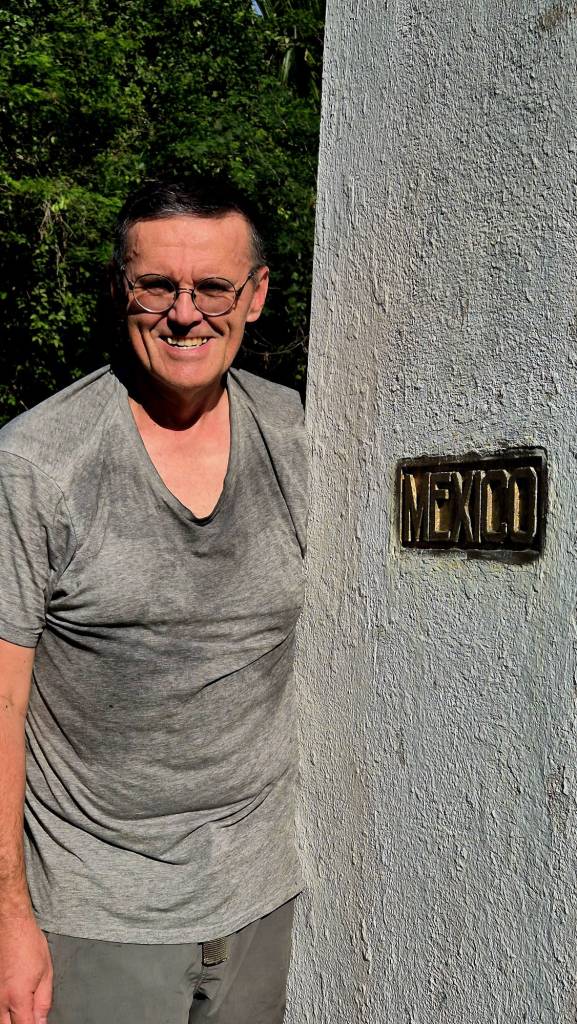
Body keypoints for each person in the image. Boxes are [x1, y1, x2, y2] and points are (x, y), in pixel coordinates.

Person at [0, 178, 308, 1024]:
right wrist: (9, 919)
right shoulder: (38, 462)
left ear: (255, 295)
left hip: (260, 900)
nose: (184, 314)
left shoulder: (298, 435)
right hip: (93, 916)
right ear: (119, 290)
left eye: (212, 287)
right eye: (156, 286)